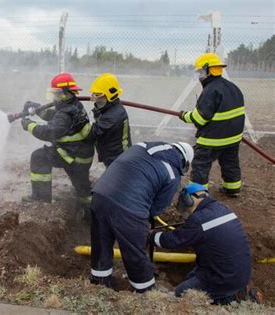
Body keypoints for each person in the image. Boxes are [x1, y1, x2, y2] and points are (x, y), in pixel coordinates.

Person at [89, 141, 194, 292]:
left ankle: (99, 283)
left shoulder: (142, 146)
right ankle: (145, 290)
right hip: (129, 208)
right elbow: (156, 208)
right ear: (184, 161)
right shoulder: (172, 172)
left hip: (100, 195)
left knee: (101, 243)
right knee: (134, 251)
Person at [149, 183, 257, 305]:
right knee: (192, 276)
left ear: (188, 200)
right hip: (239, 272)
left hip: (223, 278)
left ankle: (228, 299)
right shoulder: (223, 209)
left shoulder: (198, 220)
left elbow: (174, 240)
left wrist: (151, 236)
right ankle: (232, 292)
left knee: (180, 293)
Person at [20, 73, 94, 204]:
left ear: (64, 93)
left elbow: (50, 132)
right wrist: (38, 109)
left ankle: (40, 197)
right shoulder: (74, 106)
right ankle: (89, 208)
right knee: (83, 191)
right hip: (82, 155)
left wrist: (29, 125)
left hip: (70, 156)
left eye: (56, 94)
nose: (54, 98)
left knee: (39, 157)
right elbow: (56, 116)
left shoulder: (66, 113)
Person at [179, 53, 245, 197]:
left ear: (208, 70)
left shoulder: (210, 91)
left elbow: (200, 119)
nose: (199, 75)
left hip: (213, 139)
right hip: (233, 138)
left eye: (200, 72)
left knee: (200, 164)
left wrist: (184, 116)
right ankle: (233, 189)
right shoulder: (232, 87)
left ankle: (198, 194)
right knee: (230, 163)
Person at [88, 73, 132, 167]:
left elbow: (91, 134)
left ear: (110, 95)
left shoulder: (112, 116)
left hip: (119, 158)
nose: (94, 97)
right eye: (94, 93)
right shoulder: (110, 108)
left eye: (98, 94)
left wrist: (79, 121)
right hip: (113, 155)